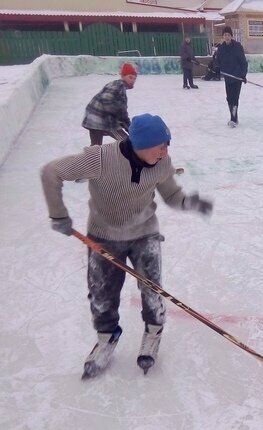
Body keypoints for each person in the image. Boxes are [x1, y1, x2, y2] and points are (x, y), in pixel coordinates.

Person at [40, 114, 214, 376]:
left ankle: (153, 334)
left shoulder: (161, 163)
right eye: (161, 145)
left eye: (168, 144)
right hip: (103, 238)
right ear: (140, 144)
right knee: (102, 295)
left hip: (145, 234)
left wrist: (190, 203)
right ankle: (106, 339)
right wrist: (58, 214)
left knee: (152, 291)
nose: (166, 151)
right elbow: (51, 172)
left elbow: (172, 195)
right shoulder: (99, 159)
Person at [82, 62, 136, 146]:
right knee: (127, 142)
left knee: (95, 148)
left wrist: (129, 128)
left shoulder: (117, 85)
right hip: (102, 119)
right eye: (130, 77)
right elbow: (106, 98)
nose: (132, 80)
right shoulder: (119, 85)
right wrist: (118, 114)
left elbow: (122, 113)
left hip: (92, 118)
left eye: (134, 78)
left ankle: (90, 158)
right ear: (123, 76)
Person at [217, 26, 248, 127]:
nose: (227, 37)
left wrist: (243, 75)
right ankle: (234, 117)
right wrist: (216, 67)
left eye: (228, 35)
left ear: (231, 36)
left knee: (235, 98)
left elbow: (243, 62)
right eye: (225, 35)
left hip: (237, 77)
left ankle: (233, 119)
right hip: (228, 78)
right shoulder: (221, 48)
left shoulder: (238, 47)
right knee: (229, 99)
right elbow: (218, 62)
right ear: (223, 36)